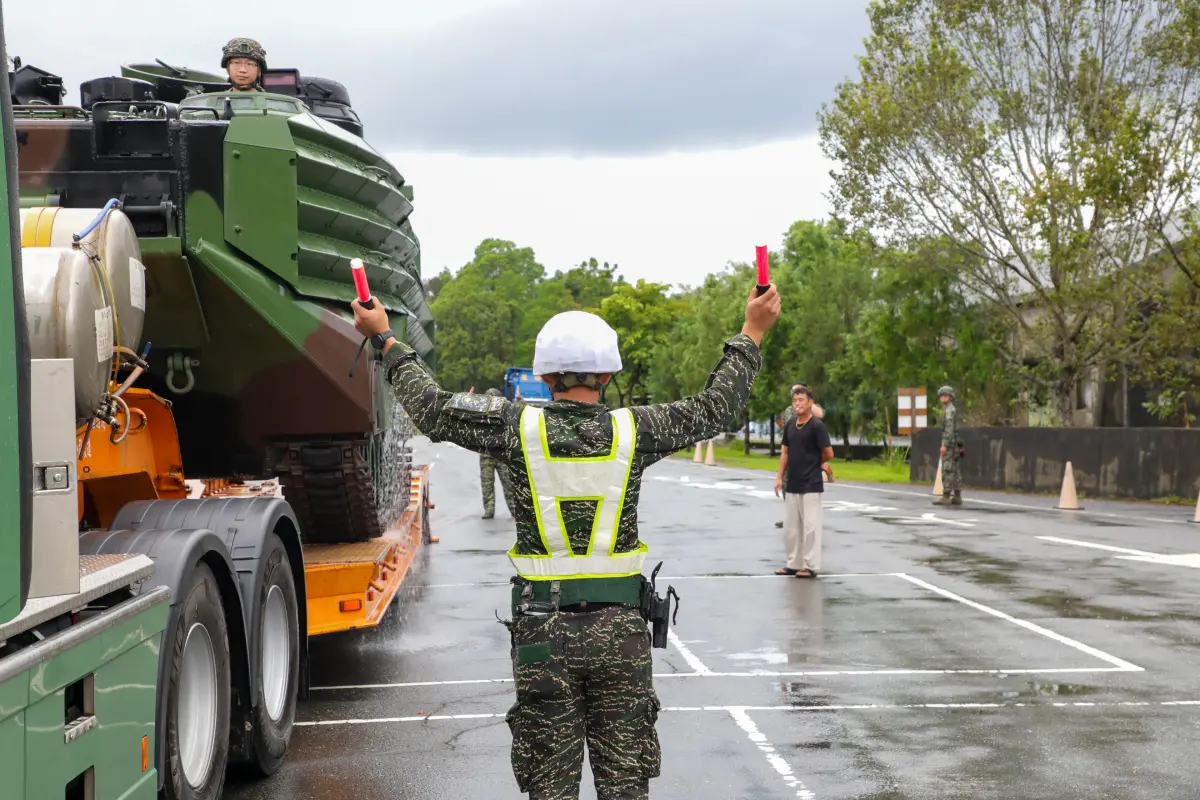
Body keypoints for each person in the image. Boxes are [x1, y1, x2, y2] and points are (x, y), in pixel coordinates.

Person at [351, 281, 780, 799]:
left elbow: (434, 408)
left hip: (542, 635)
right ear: (606, 374)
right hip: (621, 635)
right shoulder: (634, 430)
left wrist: (387, 341)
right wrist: (751, 331)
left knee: (549, 789)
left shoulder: (515, 427)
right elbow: (714, 408)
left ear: (543, 374)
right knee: (625, 787)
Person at [773, 385, 833, 579]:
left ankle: (810, 565)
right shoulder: (790, 424)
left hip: (811, 483)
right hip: (793, 482)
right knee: (791, 527)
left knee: (810, 527)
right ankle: (793, 563)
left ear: (810, 403)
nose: (797, 404)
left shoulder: (816, 426)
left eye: (801, 400)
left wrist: (817, 463)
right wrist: (779, 477)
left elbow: (828, 453)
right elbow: (785, 452)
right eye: (795, 401)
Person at [775, 382, 824, 528]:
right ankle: (791, 517)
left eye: (798, 393)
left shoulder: (813, 407)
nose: (795, 397)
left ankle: (805, 519)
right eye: (793, 393)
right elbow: (781, 423)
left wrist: (807, 402)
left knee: (807, 489)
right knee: (786, 484)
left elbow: (820, 414)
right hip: (791, 452)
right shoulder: (789, 410)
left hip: (808, 455)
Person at [480, 387, 519, 519]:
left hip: (502, 454)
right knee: (487, 483)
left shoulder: (505, 413)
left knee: (508, 483)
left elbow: (519, 411)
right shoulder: (481, 414)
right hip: (486, 454)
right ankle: (489, 509)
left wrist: (519, 399)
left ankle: (514, 509)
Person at [933, 385, 963, 506]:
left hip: (950, 445)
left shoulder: (949, 411)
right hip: (955, 444)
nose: (943, 398)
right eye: (942, 396)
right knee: (955, 469)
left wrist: (944, 444)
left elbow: (949, 430)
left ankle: (946, 495)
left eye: (945, 396)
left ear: (950, 398)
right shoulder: (949, 409)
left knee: (947, 468)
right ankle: (957, 495)